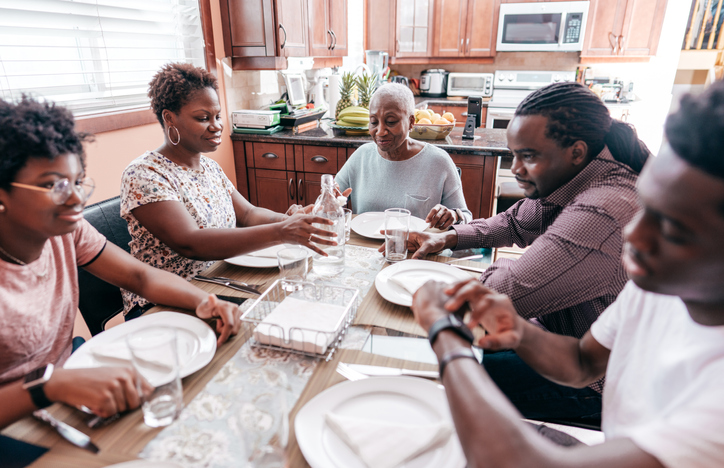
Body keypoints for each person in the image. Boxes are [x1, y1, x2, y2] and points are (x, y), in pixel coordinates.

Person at [410, 81, 724, 468]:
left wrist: (446, 336)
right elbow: (583, 361)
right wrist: (519, 331)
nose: (633, 236)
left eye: (676, 230)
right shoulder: (657, 287)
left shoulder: (607, 210)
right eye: (647, 206)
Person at [403, 82, 651, 420]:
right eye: (514, 154)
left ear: (576, 152)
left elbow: (504, 293)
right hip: (559, 341)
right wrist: (448, 238)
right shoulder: (579, 175)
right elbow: (515, 223)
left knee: (435, 375)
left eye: (529, 156)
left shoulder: (601, 211)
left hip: (596, 388)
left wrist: (481, 275)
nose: (516, 169)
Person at [0, 96, 243, 429]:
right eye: (52, 185)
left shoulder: (65, 232)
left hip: (64, 386)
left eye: (76, 181)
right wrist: (49, 385)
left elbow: (140, 277)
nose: (74, 199)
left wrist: (205, 301)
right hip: (21, 412)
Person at [121, 63, 335, 318]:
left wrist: (290, 220)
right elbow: (190, 243)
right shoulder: (145, 174)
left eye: (217, 116)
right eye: (203, 118)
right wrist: (281, 231)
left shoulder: (209, 167)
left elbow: (248, 214)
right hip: (165, 303)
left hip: (219, 282)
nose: (216, 126)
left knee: (305, 303)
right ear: (169, 118)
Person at [335, 82, 472, 229]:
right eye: (374, 122)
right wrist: (329, 201)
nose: (380, 131)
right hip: (364, 249)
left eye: (391, 122)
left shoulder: (439, 161)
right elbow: (330, 199)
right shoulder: (361, 156)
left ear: (411, 122)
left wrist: (454, 215)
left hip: (417, 250)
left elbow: (466, 217)